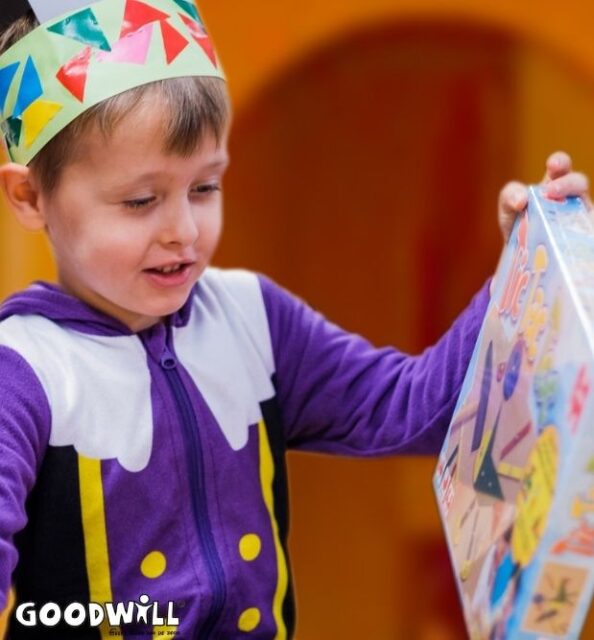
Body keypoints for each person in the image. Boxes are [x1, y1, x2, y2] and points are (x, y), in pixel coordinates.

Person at [0, 1, 589, 638]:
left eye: (205, 187)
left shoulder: (254, 318)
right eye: (141, 201)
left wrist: (520, 278)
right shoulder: (23, 372)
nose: (184, 230)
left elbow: (420, 408)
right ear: (30, 196)